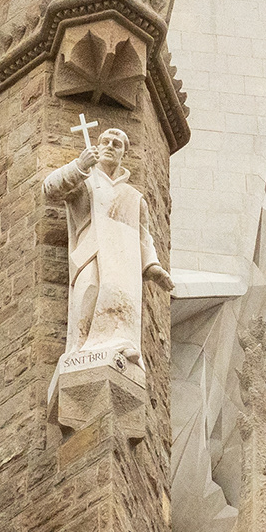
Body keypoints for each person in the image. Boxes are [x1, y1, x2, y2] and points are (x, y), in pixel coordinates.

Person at [43, 127, 171, 366]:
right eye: (106, 142)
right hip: (91, 252)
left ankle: (122, 347)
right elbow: (50, 189)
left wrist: (152, 266)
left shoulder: (134, 197)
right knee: (88, 293)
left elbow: (143, 236)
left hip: (124, 262)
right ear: (98, 147)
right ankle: (80, 353)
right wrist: (79, 166)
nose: (110, 146)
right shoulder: (85, 179)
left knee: (121, 304)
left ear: (123, 153)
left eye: (117, 144)